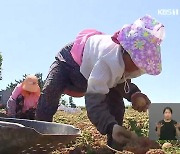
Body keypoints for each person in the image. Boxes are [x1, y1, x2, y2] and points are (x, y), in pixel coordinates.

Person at [36, 15, 165, 149]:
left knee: (116, 104)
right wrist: (109, 127)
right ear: (127, 52)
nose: (139, 68)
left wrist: (134, 94)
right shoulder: (108, 61)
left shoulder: (123, 63)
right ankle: (40, 137)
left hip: (92, 71)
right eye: (138, 63)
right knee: (50, 93)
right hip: (69, 63)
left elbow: (120, 81)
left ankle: (115, 146)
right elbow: (94, 100)